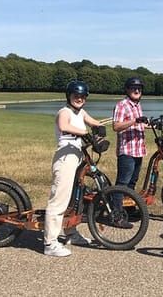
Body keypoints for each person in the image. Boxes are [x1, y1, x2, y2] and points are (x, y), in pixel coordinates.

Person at [44, 80, 103, 257]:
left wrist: (100, 127)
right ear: (69, 96)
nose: (79, 99)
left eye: (82, 96)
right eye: (76, 96)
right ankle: (50, 243)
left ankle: (71, 233)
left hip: (77, 157)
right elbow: (64, 126)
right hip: (65, 158)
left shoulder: (81, 112)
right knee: (59, 199)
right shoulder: (64, 112)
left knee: (74, 200)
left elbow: (93, 122)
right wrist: (85, 133)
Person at [112, 77, 148, 228]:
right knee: (122, 184)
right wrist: (134, 121)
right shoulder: (122, 105)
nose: (137, 90)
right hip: (127, 151)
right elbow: (116, 126)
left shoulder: (137, 105)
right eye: (133, 88)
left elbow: (141, 125)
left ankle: (128, 209)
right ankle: (116, 215)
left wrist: (155, 125)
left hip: (138, 150)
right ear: (127, 89)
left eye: (139, 88)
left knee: (132, 183)